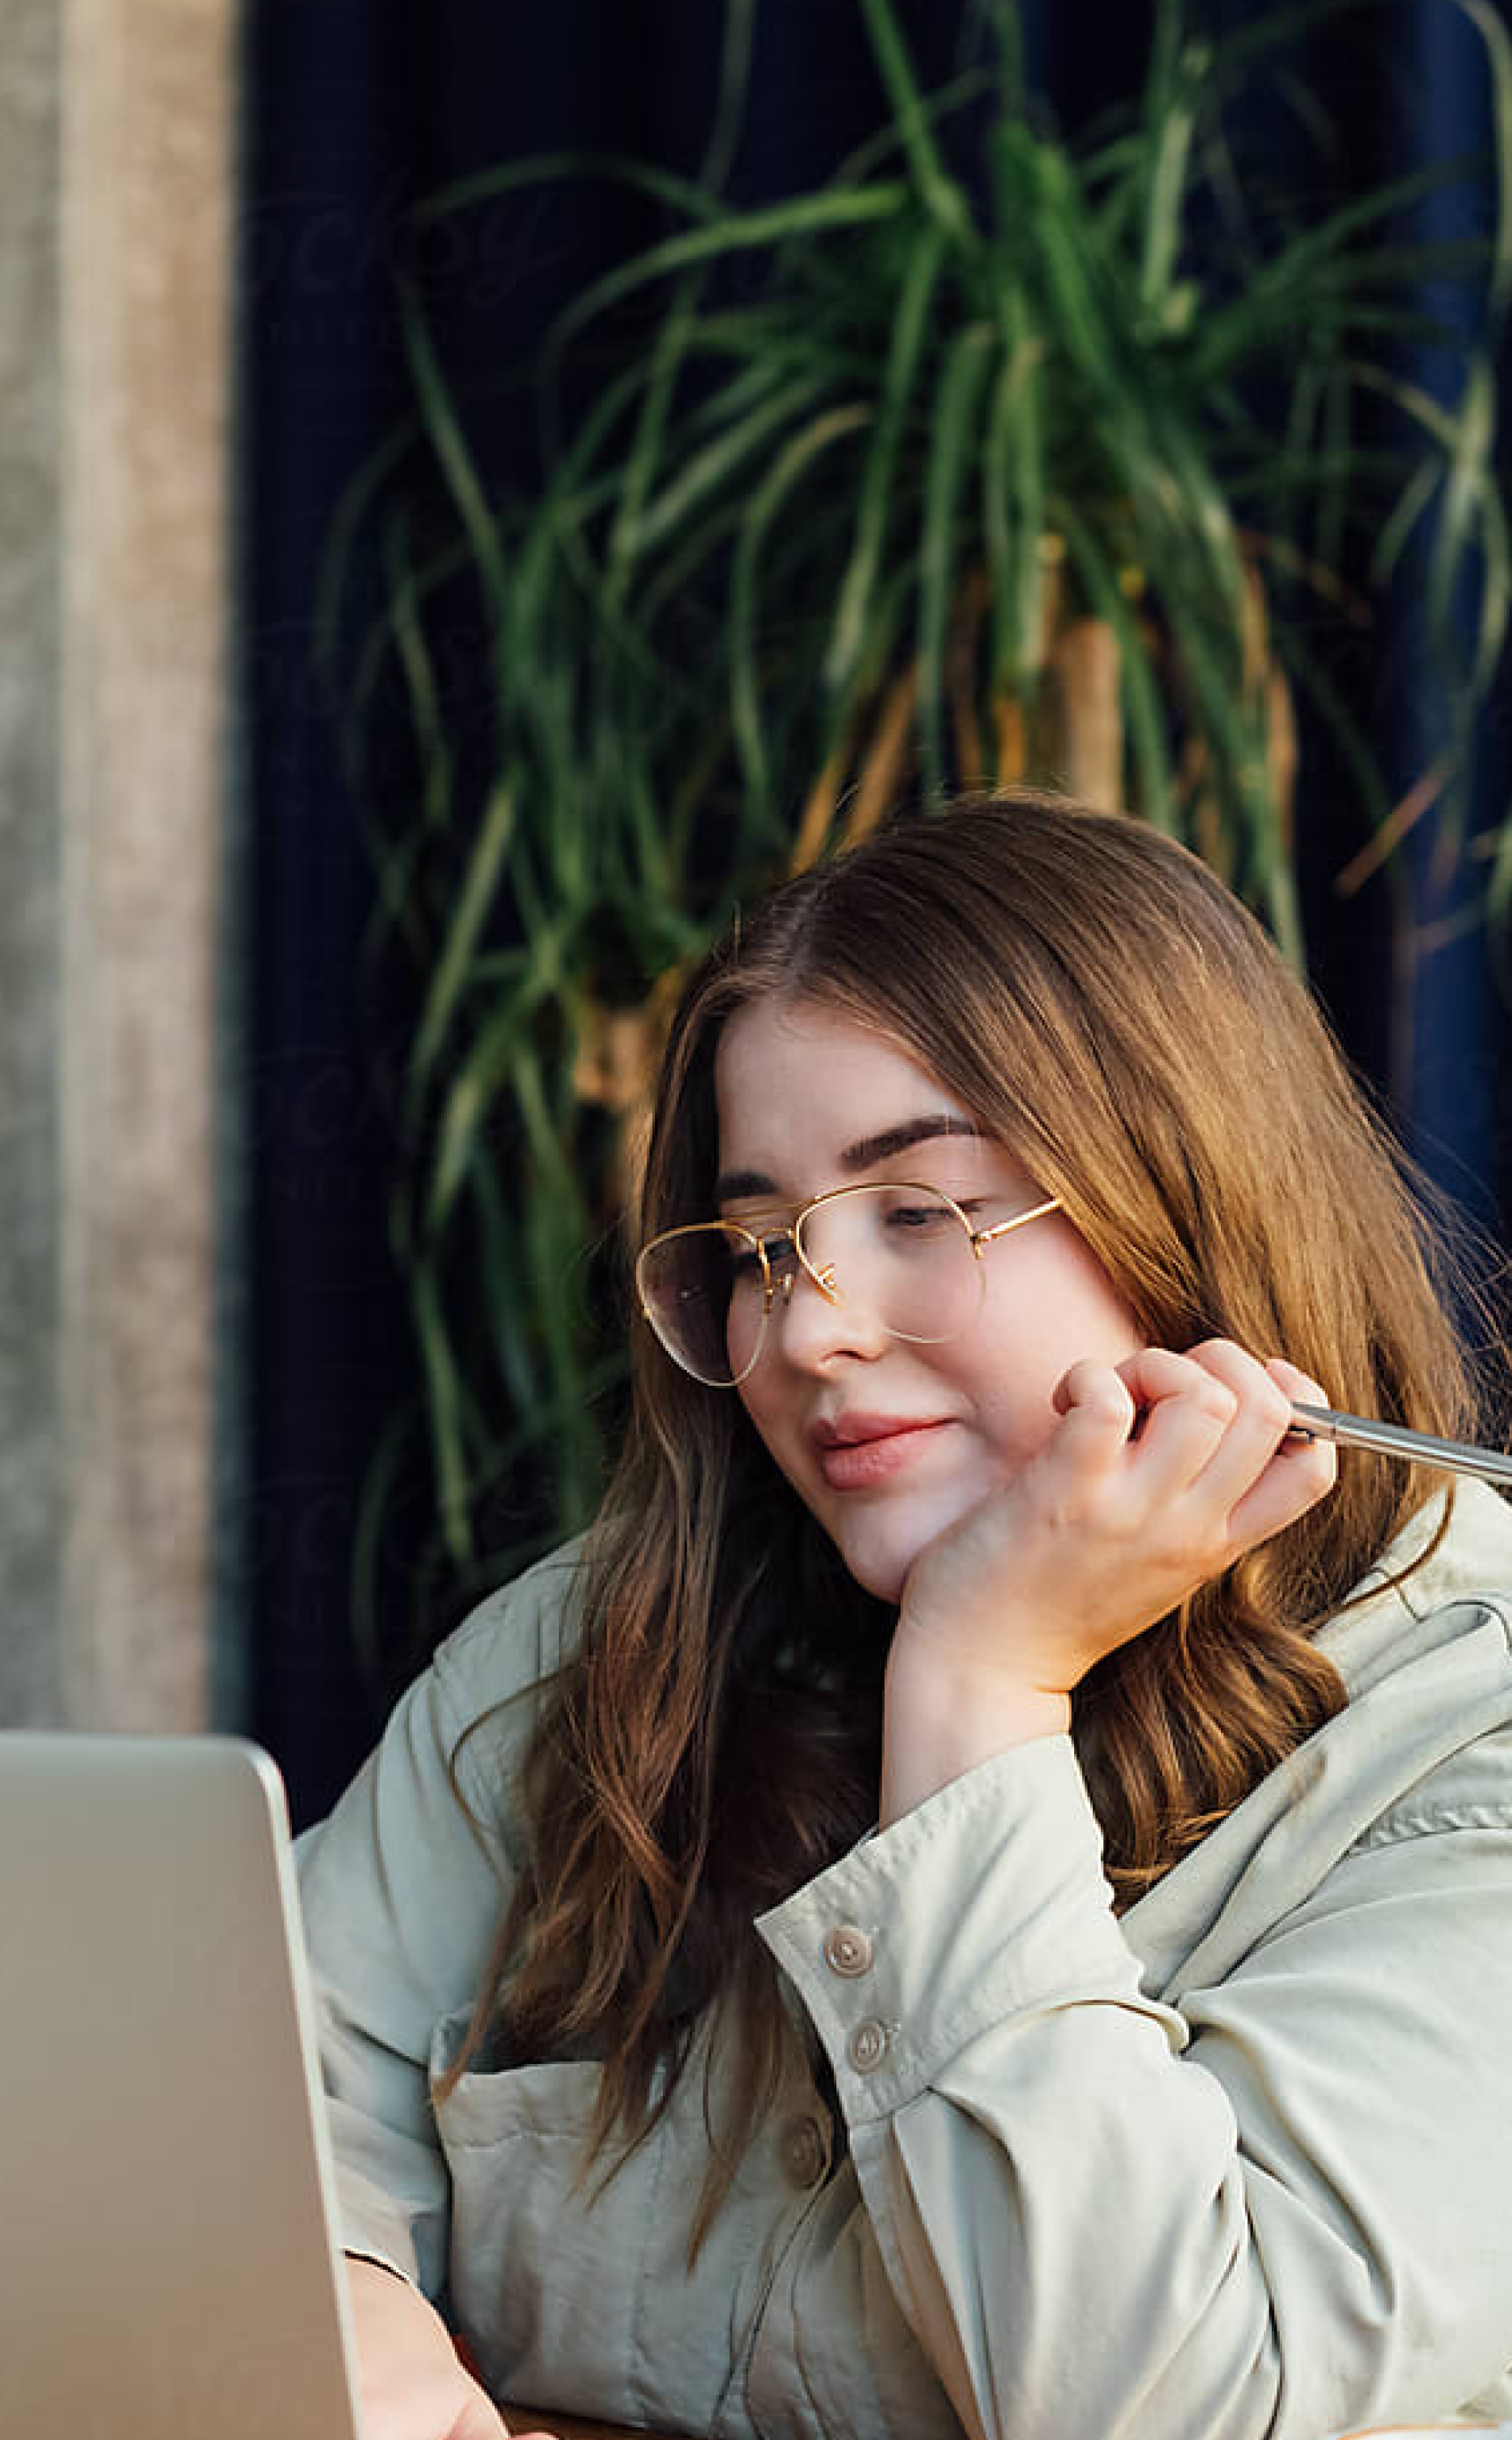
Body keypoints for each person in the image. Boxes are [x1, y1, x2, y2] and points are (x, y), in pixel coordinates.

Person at [297, 793, 1512, 2440]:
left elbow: (1180, 2405)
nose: (808, 1334)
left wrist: (982, 1689)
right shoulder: (594, 1651)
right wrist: (348, 2313)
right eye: (753, 1246)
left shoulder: (1471, 1735)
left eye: (921, 1210)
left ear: (1188, 1198)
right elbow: (253, 2097)